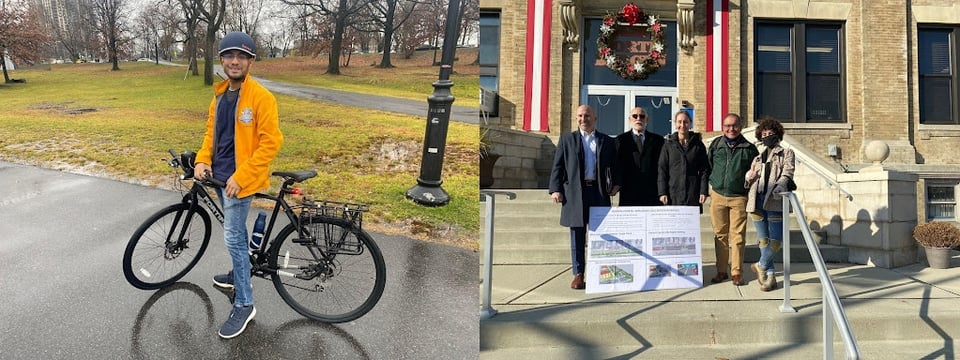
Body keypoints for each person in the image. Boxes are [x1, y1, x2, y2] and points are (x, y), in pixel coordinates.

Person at [193, 31, 284, 339]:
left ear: (250, 61)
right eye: (230, 56)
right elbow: (211, 134)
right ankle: (237, 274)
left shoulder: (260, 97)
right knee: (237, 234)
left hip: (238, 182)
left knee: (233, 238)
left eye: (242, 56)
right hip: (218, 176)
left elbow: (271, 143)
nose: (235, 61)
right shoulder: (219, 95)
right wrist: (202, 161)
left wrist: (241, 176)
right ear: (221, 60)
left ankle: (245, 303)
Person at [549, 104, 620, 290]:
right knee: (577, 237)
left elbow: (615, 165)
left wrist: (616, 184)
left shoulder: (606, 141)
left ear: (595, 118)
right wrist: (555, 189)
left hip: (598, 193)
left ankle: (600, 273)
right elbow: (558, 166)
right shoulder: (567, 139)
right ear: (576, 118)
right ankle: (578, 274)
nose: (583, 119)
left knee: (602, 236)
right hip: (575, 195)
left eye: (587, 116)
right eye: (580, 116)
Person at [707, 113, 758, 286]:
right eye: (727, 126)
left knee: (737, 236)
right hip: (718, 195)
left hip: (738, 197)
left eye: (734, 125)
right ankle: (721, 271)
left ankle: (736, 272)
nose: (731, 129)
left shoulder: (749, 148)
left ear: (740, 127)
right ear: (723, 127)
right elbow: (709, 167)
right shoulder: (715, 145)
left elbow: (755, 173)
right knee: (720, 235)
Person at [746, 118, 795, 291]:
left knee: (776, 242)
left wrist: (780, 186)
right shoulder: (758, 157)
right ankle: (770, 277)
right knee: (763, 241)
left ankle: (760, 264)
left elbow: (787, 173)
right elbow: (750, 176)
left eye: (770, 133)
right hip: (756, 201)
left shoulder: (787, 153)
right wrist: (749, 176)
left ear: (777, 134)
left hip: (774, 200)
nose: (767, 136)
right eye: (764, 134)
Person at [657, 110, 709, 211]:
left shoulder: (698, 145)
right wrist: (662, 192)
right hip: (673, 194)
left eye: (685, 122)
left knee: (691, 226)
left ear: (690, 123)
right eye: (679, 122)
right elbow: (662, 169)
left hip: (692, 193)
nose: (682, 125)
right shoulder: (668, 145)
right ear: (675, 124)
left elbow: (704, 170)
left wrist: (703, 191)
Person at [615, 107, 665, 206]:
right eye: (635, 116)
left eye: (642, 116)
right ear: (630, 119)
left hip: (652, 193)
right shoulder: (620, 140)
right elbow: (616, 164)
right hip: (628, 192)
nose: (638, 119)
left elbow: (662, 166)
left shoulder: (658, 140)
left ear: (647, 120)